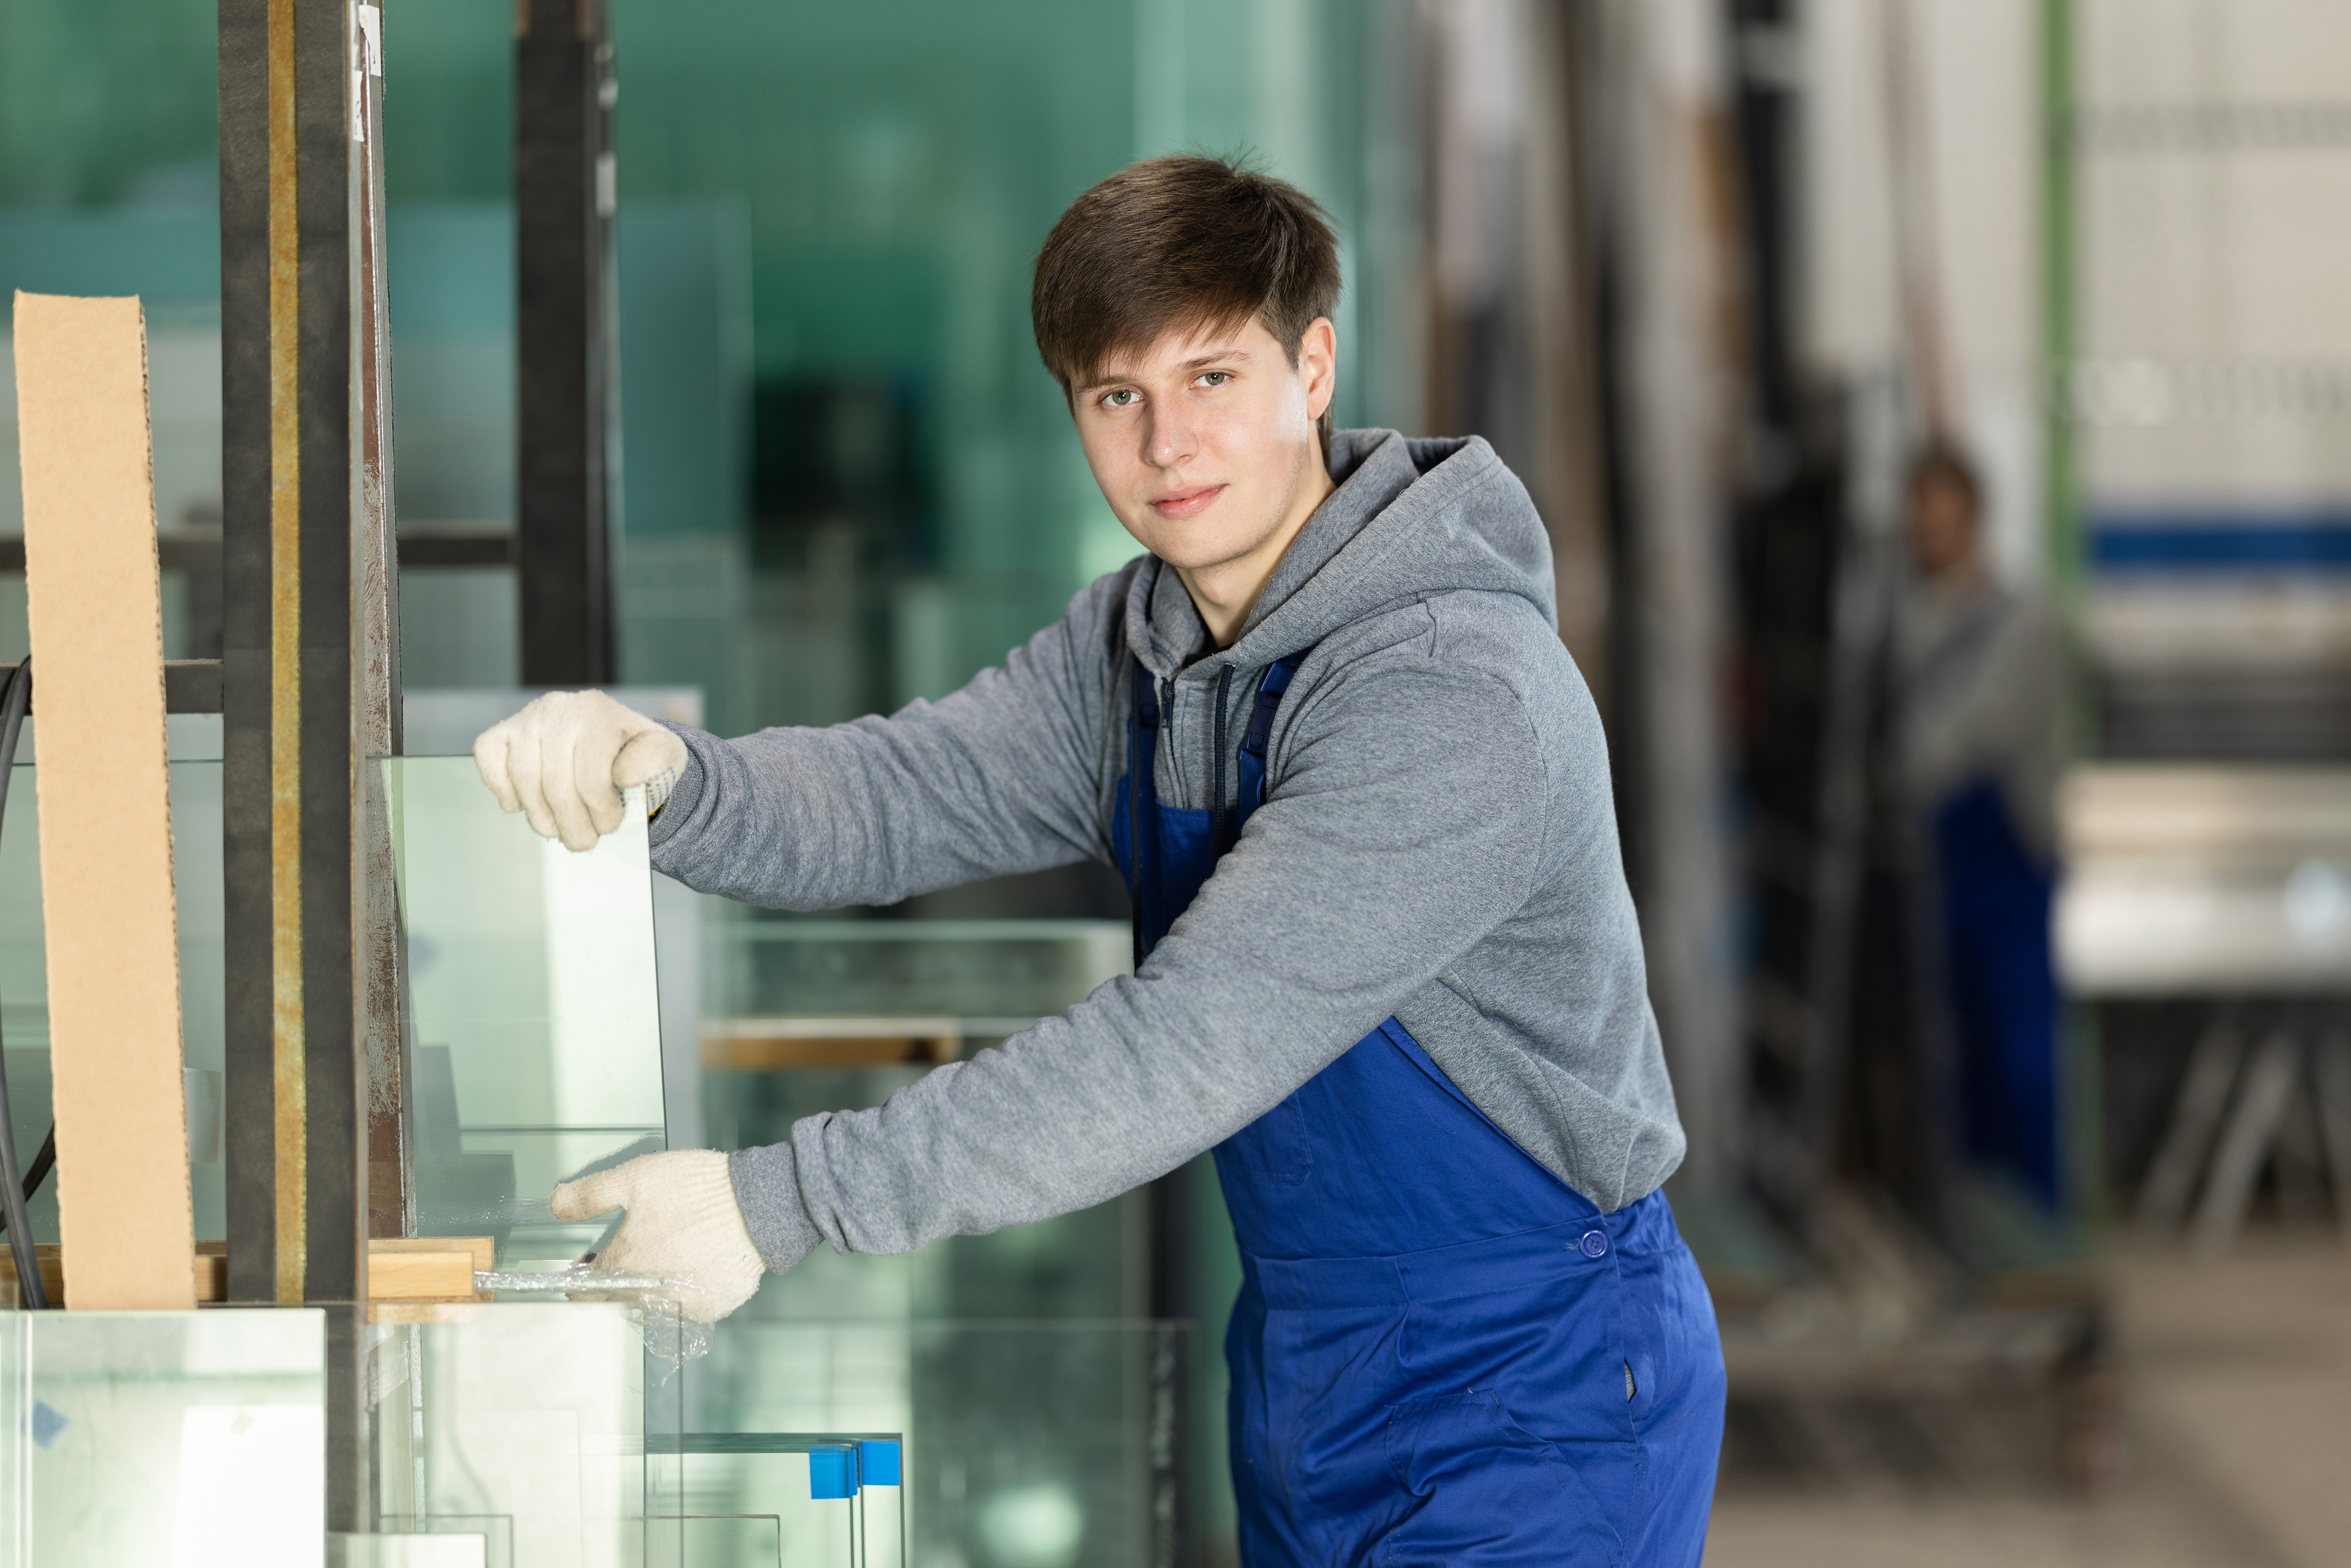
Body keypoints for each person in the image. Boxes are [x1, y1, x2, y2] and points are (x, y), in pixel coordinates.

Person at [476, 156, 1725, 1564]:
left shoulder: (1451, 694)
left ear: (1312, 368)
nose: (1167, 444)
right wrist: (674, 781)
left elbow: (1187, 1042)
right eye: (1114, 396)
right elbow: (912, 787)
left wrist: (778, 1202)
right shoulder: (1141, 644)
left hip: (1536, 1378)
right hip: (1312, 1364)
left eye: (1211, 378)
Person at [1890, 443, 2066, 1212]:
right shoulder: (1903, 623)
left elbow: (1958, 740)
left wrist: (1876, 767)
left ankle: (2041, 1239)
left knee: (2021, 1066)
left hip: (2007, 872)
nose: (1930, 533)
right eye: (1919, 520)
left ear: (1973, 520)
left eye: (1943, 519)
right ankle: (1984, 1241)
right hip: (1939, 872)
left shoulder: (2021, 625)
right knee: (1954, 1071)